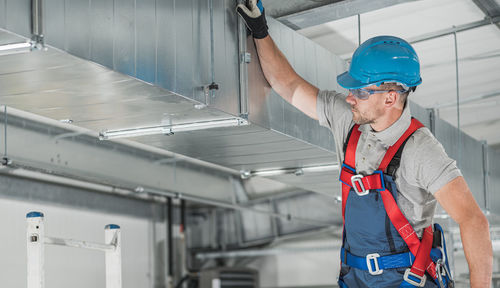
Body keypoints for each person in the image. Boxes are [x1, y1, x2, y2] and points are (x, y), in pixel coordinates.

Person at [237, 1, 492, 287]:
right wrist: (260, 30)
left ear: (390, 98)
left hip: (406, 281)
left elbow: (473, 221)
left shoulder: (421, 149)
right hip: (355, 278)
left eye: (359, 90)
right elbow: (289, 85)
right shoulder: (349, 122)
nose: (349, 97)